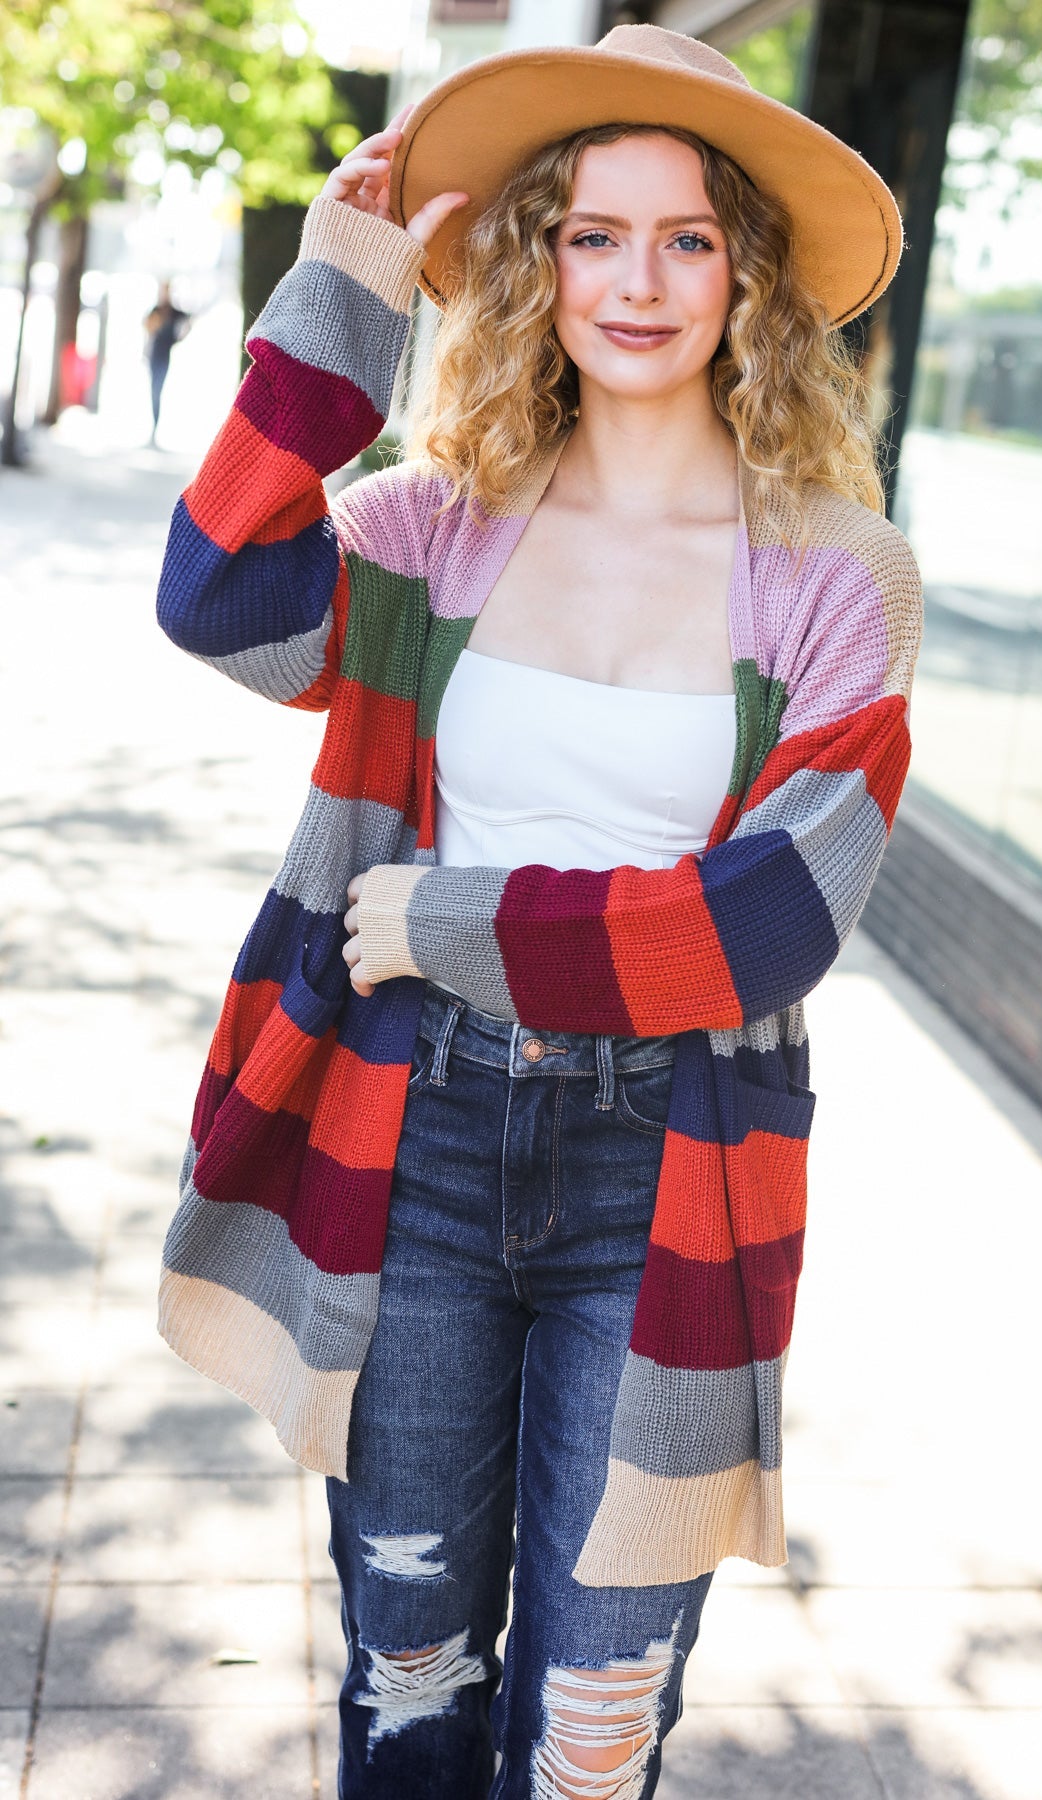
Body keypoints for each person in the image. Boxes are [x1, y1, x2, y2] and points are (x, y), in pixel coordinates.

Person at [153, 25, 922, 1799]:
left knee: (596, 1728)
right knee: (409, 1678)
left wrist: (454, 921)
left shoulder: (838, 573)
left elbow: (774, 918)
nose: (637, 283)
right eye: (592, 235)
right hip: (409, 1140)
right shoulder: (435, 531)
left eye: (686, 238)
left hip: (669, 1175)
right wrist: (342, 296)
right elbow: (217, 595)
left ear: (748, 276)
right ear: (538, 265)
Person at [143, 280, 190, 445]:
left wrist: (177, 339)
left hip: (164, 356)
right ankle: (153, 428)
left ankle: (155, 428)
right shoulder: (156, 310)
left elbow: (188, 321)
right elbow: (146, 327)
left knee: (158, 391)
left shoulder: (174, 312)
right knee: (153, 391)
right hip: (153, 355)